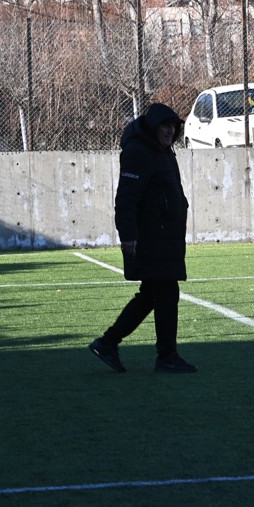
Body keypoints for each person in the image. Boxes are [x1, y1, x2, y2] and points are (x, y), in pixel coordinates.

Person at [88, 102, 198, 374]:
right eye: (165, 126)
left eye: (173, 126)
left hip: (166, 236)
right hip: (151, 237)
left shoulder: (163, 151)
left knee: (151, 294)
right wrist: (128, 235)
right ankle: (166, 356)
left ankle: (108, 343)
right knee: (166, 292)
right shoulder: (138, 152)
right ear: (152, 127)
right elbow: (126, 198)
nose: (170, 131)